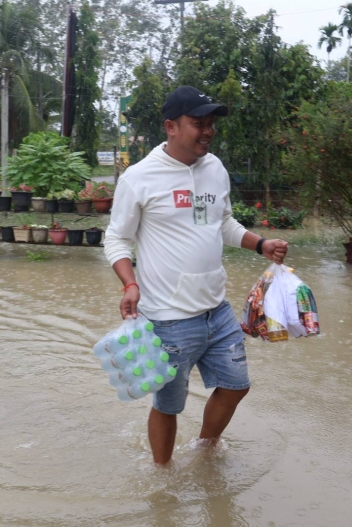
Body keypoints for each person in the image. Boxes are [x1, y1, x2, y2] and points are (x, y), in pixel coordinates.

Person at [103, 85, 289, 465]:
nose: (208, 131)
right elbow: (117, 238)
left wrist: (260, 244)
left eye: (211, 124)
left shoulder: (214, 168)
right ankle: (163, 475)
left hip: (216, 310)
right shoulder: (139, 177)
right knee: (169, 404)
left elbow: (222, 223)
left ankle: (204, 451)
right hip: (168, 318)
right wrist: (130, 284)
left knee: (237, 386)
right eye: (198, 123)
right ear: (170, 126)